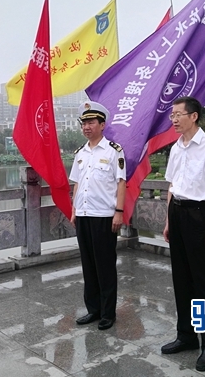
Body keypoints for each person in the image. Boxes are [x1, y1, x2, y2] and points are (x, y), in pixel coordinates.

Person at [160, 96, 205, 372]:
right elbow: (172, 187)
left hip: (200, 215)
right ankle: (186, 335)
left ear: (194, 116)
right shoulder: (176, 148)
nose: (173, 119)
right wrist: (167, 221)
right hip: (177, 213)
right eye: (171, 115)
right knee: (182, 279)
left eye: (178, 114)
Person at [69, 101, 126, 331]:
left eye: (91, 122)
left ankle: (108, 313)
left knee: (105, 266)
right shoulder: (80, 153)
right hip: (83, 215)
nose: (86, 126)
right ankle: (93, 309)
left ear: (102, 124)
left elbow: (122, 182)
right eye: (84, 122)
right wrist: (74, 210)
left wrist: (119, 212)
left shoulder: (114, 151)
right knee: (88, 265)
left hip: (104, 215)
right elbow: (77, 184)